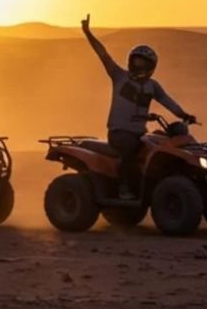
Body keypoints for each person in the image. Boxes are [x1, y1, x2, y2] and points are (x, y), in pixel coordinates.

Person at [81, 14, 195, 200]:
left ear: (151, 66)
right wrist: (88, 33)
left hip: (139, 134)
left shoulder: (152, 86)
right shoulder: (119, 76)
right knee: (129, 151)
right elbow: (103, 54)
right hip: (119, 134)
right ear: (130, 61)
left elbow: (167, 101)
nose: (138, 65)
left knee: (157, 144)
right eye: (136, 61)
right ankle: (124, 189)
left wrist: (183, 114)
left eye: (143, 63)